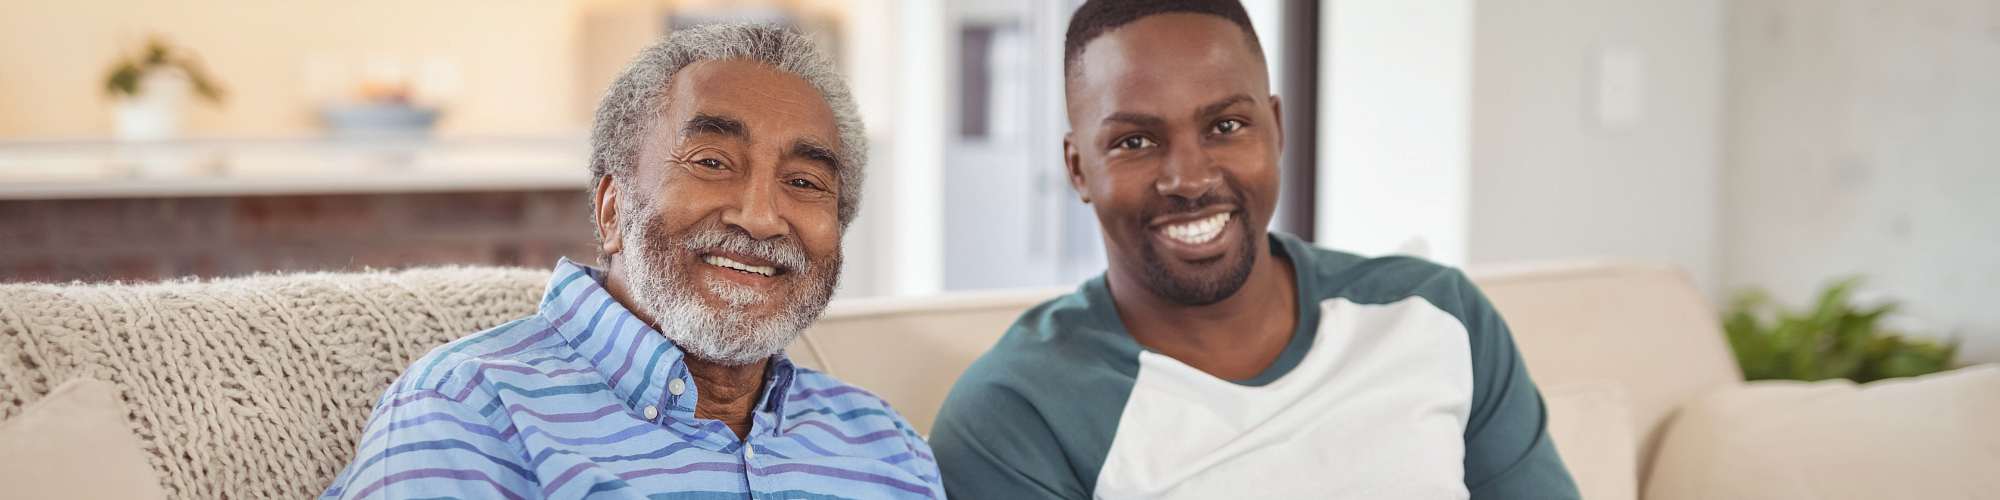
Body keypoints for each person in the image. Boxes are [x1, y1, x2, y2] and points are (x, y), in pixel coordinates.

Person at [928, 1, 1580, 498]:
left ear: (1275, 128)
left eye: (1226, 126)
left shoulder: (1439, 313)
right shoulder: (1015, 414)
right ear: (1077, 169)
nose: (1189, 179)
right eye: (1135, 141)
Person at [320, 23, 942, 500]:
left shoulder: (889, 448)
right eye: (711, 162)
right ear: (613, 210)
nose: (760, 217)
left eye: (805, 182)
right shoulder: (469, 409)